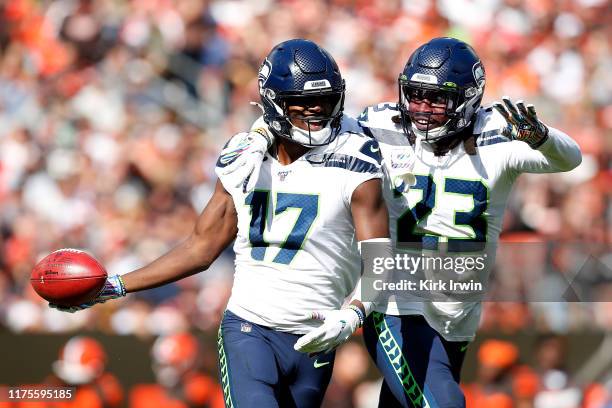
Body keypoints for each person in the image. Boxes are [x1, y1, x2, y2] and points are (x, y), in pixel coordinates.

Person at [221, 37, 582, 407]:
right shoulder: (379, 124)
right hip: (396, 304)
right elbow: (304, 114)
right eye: (415, 95)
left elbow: (570, 158)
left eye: (436, 99)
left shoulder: (496, 135)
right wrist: (259, 133)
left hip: (457, 314)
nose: (422, 108)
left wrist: (541, 137)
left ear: (469, 99)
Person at [50, 38, 392, 408]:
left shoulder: (357, 160)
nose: (316, 111)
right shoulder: (244, 156)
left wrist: (354, 312)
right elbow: (201, 247)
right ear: (274, 101)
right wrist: (114, 286)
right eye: (302, 102)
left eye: (324, 100)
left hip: (318, 336)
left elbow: (380, 257)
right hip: (250, 327)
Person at [130, 332, 224, 408]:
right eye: (162, 365)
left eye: (174, 364)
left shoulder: (211, 393)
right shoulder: (144, 397)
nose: (166, 371)